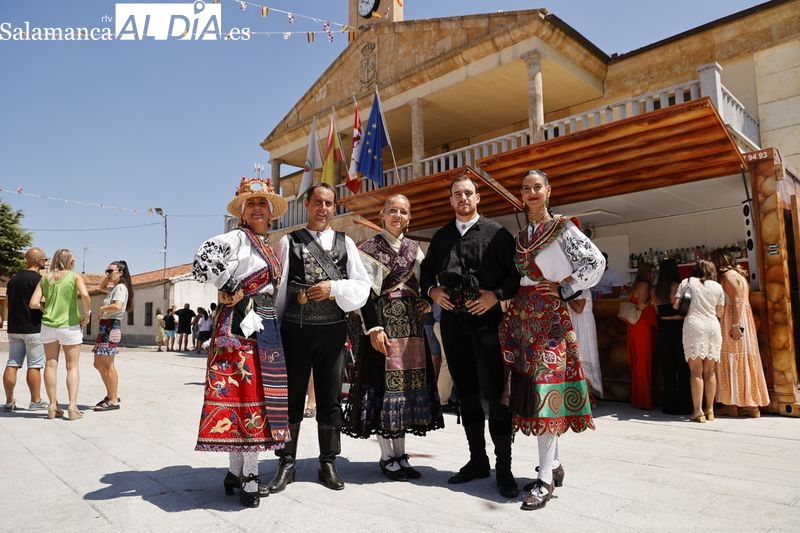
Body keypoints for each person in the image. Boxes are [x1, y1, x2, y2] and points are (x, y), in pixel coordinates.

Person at [497, 169, 604, 511]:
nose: (531, 193)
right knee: (535, 390)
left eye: (536, 187)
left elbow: (595, 261)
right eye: (526, 188)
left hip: (550, 320)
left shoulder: (562, 228)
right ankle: (553, 466)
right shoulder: (521, 235)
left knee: (545, 392)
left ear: (548, 190)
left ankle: (544, 479)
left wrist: (565, 287)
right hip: (523, 318)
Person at [192, 176, 290, 508]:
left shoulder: (265, 243)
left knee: (253, 397)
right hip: (240, 326)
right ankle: (249, 475)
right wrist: (226, 285)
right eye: (252, 203)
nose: (258, 208)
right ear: (243, 211)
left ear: (270, 211)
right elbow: (204, 258)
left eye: (263, 203)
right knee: (247, 396)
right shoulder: (237, 237)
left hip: (263, 324)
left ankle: (235, 471)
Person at [420, 174, 521, 498]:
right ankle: (477, 460)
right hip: (453, 325)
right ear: (450, 201)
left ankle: (503, 468)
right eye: (456, 194)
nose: (462, 198)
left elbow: (515, 272)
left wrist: (496, 295)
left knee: (495, 394)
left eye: (468, 193)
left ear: (477, 198)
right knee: (465, 393)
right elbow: (425, 273)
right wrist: (432, 290)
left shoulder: (498, 233)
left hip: (488, 324)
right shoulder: (441, 237)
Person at [269, 183, 370, 493]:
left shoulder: (346, 244)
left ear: (334, 207)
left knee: (329, 398)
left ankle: (328, 462)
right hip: (294, 330)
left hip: (331, 330)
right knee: (292, 398)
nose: (323, 208)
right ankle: (286, 462)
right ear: (307, 205)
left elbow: (362, 288)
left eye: (329, 203)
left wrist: (334, 289)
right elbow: (281, 288)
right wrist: (273, 328)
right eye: (317, 202)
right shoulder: (289, 241)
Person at [342, 194, 444, 481]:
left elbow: (424, 283)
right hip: (384, 325)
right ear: (382, 215)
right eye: (393, 210)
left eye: (404, 211)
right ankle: (387, 457)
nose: (398, 215)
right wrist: (373, 328)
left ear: (409, 217)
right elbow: (364, 294)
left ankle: (400, 455)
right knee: (385, 390)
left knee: (407, 391)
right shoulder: (369, 249)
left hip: (411, 327)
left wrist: (426, 299)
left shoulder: (414, 249)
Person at [29, 249, 91, 421]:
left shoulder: (45, 279)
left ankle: (52, 406)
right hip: (69, 325)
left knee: (50, 364)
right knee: (72, 366)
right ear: (70, 261)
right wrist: (86, 314)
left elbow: (33, 303)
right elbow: (85, 295)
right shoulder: (74, 276)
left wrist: (46, 308)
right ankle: (72, 407)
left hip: (48, 325)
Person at [709, 249, 769, 418]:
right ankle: (750, 404)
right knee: (744, 358)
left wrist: (735, 324)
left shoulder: (728, 276)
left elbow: (735, 300)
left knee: (732, 358)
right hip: (744, 318)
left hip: (733, 318)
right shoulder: (738, 275)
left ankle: (734, 404)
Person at [674, 260, 724, 423]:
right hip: (712, 326)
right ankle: (710, 410)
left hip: (693, 325)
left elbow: (676, 305)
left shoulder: (687, 282)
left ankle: (698, 411)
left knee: (696, 372)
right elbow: (720, 312)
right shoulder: (717, 286)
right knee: (710, 372)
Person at [3, 247, 49, 412]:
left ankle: (9, 401)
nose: (46, 262)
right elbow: (43, 302)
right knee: (34, 365)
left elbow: (8, 302)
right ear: (38, 261)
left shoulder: (13, 279)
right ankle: (35, 401)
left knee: (12, 362)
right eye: (45, 259)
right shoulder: (39, 279)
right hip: (33, 328)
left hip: (14, 328)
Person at [92, 260, 133, 412]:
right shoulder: (115, 288)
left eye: (111, 271)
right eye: (106, 271)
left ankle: (113, 399)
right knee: (98, 363)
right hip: (105, 327)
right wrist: (108, 276)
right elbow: (101, 287)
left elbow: (117, 305)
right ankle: (111, 394)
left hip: (111, 326)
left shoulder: (121, 288)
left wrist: (102, 308)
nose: (108, 274)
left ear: (121, 273)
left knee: (108, 365)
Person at [652, 258, 691, 415]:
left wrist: (666, 317)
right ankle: (684, 405)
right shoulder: (680, 287)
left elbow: (657, 312)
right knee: (683, 369)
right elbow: (684, 311)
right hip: (680, 330)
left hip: (664, 330)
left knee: (667, 369)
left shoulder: (655, 291)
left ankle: (668, 405)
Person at [626, 262, 658, 409]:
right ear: (647, 273)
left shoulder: (636, 285)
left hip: (634, 327)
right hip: (642, 326)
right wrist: (653, 301)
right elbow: (641, 306)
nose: (655, 275)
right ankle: (644, 400)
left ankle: (638, 399)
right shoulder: (645, 285)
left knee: (638, 362)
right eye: (653, 272)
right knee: (643, 363)